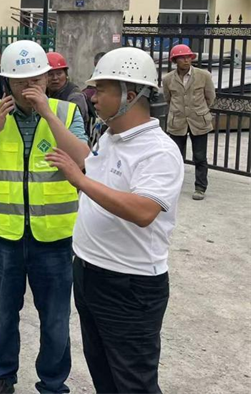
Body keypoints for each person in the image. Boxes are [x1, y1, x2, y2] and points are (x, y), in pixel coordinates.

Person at [46, 47, 184, 394]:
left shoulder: (158, 150)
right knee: (104, 374)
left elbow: (143, 211)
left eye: (102, 90)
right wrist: (48, 114)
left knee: (133, 382)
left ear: (130, 95)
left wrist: (79, 180)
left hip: (129, 285)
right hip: (89, 271)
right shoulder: (110, 136)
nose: (93, 97)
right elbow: (88, 162)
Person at [0, 40, 90, 394]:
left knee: (55, 318)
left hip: (54, 237)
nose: (28, 87)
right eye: (19, 81)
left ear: (47, 78)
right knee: (4, 313)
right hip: (3, 235)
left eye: (35, 79)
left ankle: (52, 383)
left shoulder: (66, 112)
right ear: (7, 82)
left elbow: (84, 158)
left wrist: (48, 114)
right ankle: (2, 375)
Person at [162, 44, 216, 200]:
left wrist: (199, 110)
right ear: (175, 60)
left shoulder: (203, 75)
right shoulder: (168, 79)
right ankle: (173, 186)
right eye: (182, 58)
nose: (186, 60)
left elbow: (210, 97)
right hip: (177, 121)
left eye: (188, 57)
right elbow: (168, 98)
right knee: (176, 156)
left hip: (198, 121)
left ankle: (200, 187)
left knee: (200, 156)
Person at [46, 52, 89, 125]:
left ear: (66, 75)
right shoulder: (44, 93)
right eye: (50, 74)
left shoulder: (75, 97)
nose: (55, 78)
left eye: (59, 74)